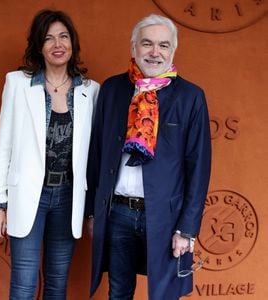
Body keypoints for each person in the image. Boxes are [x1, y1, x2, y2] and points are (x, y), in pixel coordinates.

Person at [85, 14, 211, 300]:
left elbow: (198, 167)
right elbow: (97, 154)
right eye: (147, 44)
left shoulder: (190, 97)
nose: (155, 52)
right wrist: (93, 212)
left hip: (166, 218)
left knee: (164, 295)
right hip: (117, 213)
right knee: (118, 292)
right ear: (133, 48)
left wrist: (188, 229)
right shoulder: (113, 90)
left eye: (164, 45)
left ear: (172, 51)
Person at [0, 9, 99, 299]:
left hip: (69, 197)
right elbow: (5, 146)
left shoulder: (90, 91)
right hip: (28, 196)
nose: (57, 44)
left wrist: (94, 209)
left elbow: (95, 154)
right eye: (48, 38)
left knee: (57, 284)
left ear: (72, 43)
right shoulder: (18, 83)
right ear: (39, 46)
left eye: (63, 36)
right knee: (23, 286)